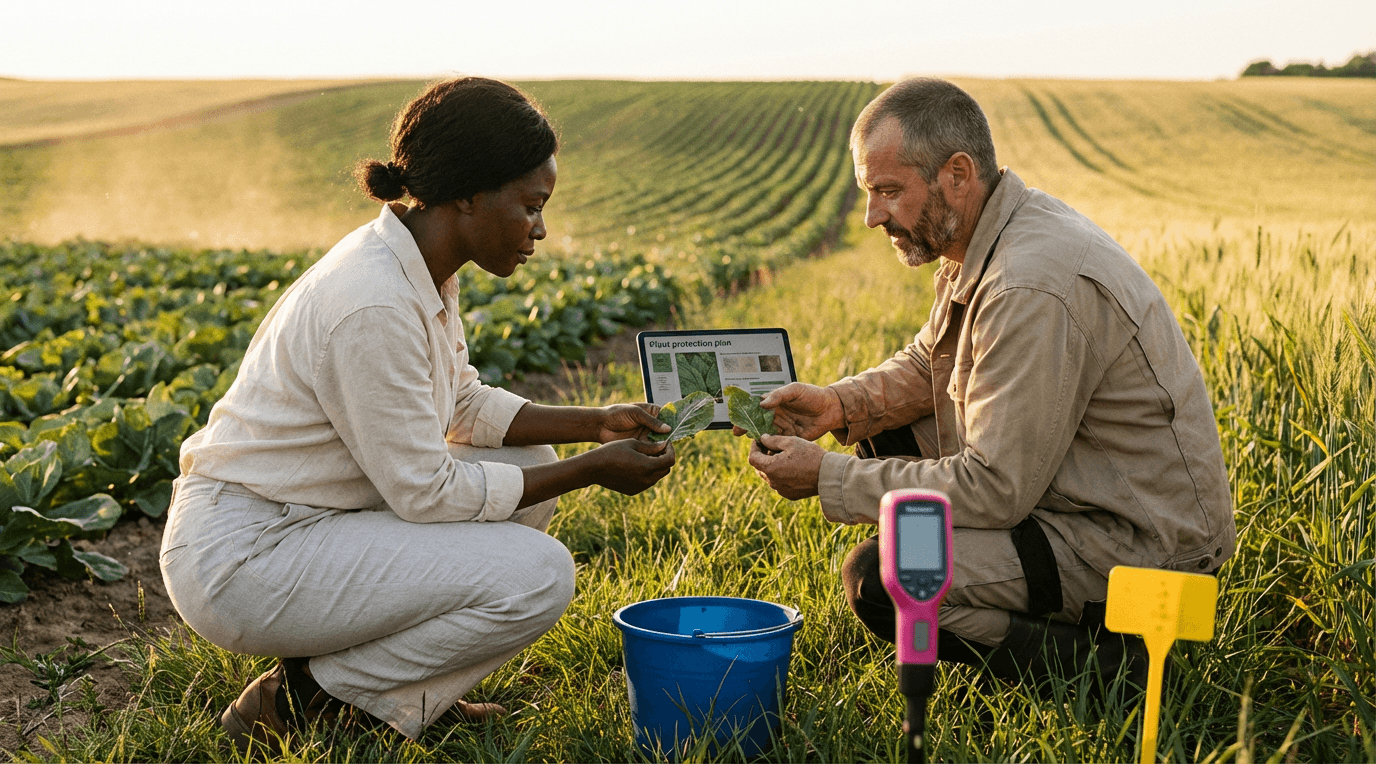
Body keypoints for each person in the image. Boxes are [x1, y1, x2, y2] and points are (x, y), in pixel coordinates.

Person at [160, 77, 676, 753]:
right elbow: (426, 493)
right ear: (468, 194)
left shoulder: (417, 264)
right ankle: (303, 701)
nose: (540, 230)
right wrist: (592, 471)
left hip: (307, 518)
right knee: (538, 574)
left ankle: (403, 696)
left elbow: (459, 402)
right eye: (531, 205)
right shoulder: (371, 302)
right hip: (248, 556)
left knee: (523, 461)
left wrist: (596, 421)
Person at [743, 78, 1235, 698]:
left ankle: (1112, 671)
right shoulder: (988, 233)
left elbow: (996, 487)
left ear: (956, 174)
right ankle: (1035, 620)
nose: (872, 217)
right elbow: (932, 361)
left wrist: (824, 477)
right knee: (882, 432)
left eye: (889, 191)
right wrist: (842, 405)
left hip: (1142, 544)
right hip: (1078, 488)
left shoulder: (1028, 285)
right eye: (870, 193)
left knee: (886, 577)